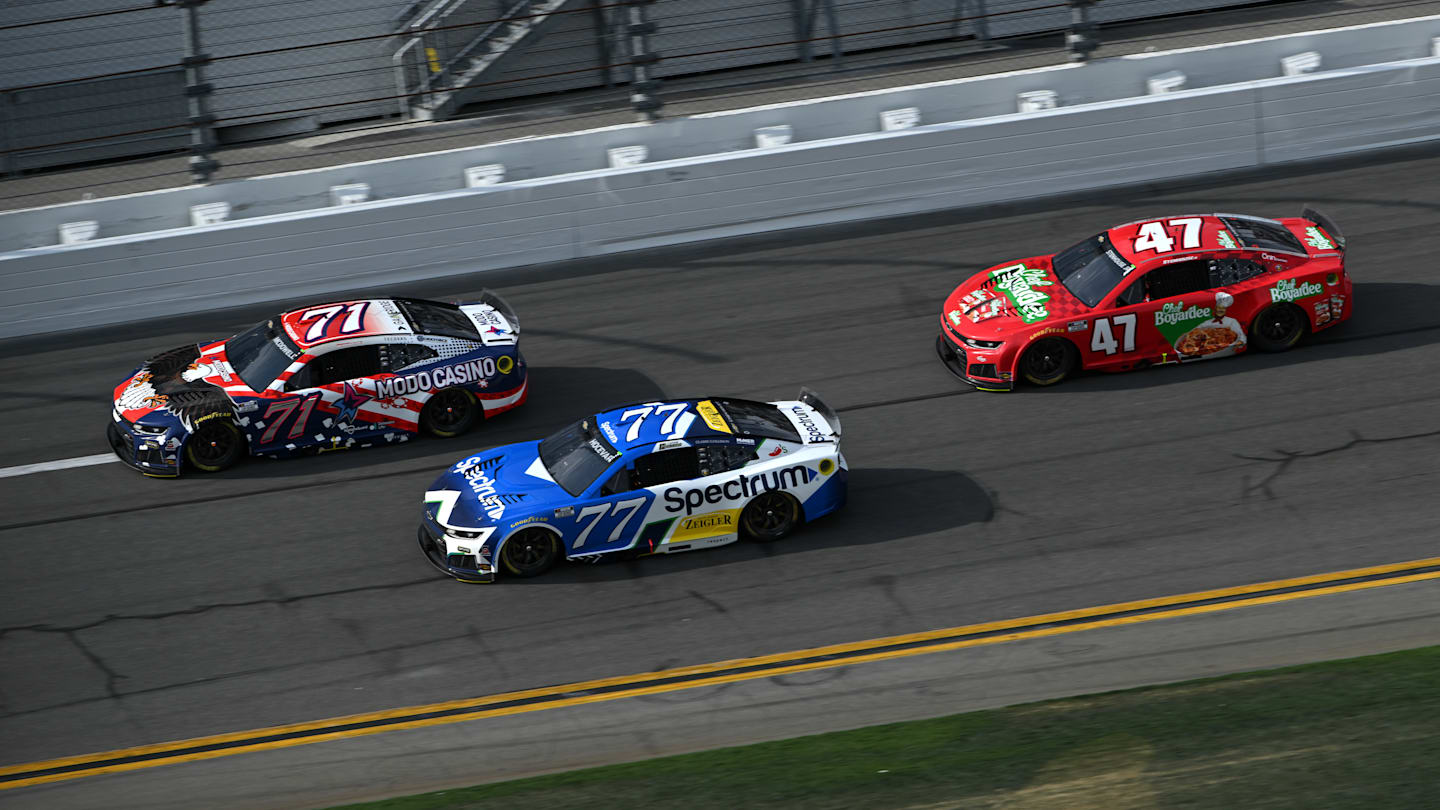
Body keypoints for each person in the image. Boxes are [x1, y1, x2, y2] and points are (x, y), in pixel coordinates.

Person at [1183, 291, 1247, 360]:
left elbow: (1241, 336)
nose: (1220, 310)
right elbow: (1193, 332)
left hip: (1228, 351)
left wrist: (1239, 343)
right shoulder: (1207, 322)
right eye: (1219, 308)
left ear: (1225, 310)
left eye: (1223, 308)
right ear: (1215, 309)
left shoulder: (1232, 321)